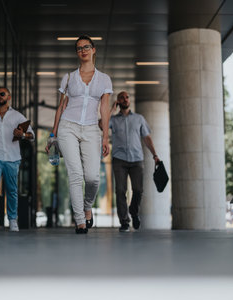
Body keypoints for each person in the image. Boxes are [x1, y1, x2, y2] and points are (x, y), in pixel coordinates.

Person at [46, 35, 112, 234]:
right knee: (75, 175)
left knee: (92, 178)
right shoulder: (68, 77)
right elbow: (61, 107)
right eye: (79, 48)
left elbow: (105, 110)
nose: (83, 50)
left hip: (92, 129)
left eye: (86, 47)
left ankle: (87, 206)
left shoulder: (104, 79)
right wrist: (52, 134)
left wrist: (106, 137)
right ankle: (80, 221)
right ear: (77, 53)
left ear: (94, 50)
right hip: (68, 127)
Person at [0, 87, 35, 232]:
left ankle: (12, 219)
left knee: (11, 190)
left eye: (2, 94)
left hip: (12, 158)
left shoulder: (17, 116)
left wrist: (22, 134)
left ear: (8, 97)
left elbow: (32, 135)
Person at [109, 91, 160, 232]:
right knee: (120, 191)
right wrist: (111, 110)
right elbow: (101, 125)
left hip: (137, 159)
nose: (125, 99)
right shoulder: (113, 120)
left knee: (138, 190)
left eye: (127, 97)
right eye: (122, 98)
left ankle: (134, 211)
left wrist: (155, 155)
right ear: (118, 101)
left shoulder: (139, 119)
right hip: (119, 160)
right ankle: (124, 222)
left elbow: (147, 138)